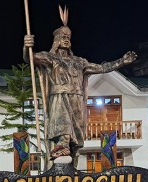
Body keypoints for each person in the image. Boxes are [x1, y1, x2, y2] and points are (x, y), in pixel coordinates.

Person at [23, 6, 136, 162]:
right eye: (63, 36)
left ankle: (72, 155)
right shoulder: (50, 58)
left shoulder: (79, 62)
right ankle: (61, 146)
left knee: (76, 136)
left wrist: (121, 62)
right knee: (64, 126)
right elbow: (30, 57)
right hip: (60, 97)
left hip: (77, 98)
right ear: (56, 40)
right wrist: (26, 46)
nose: (66, 39)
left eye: (68, 36)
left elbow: (101, 68)